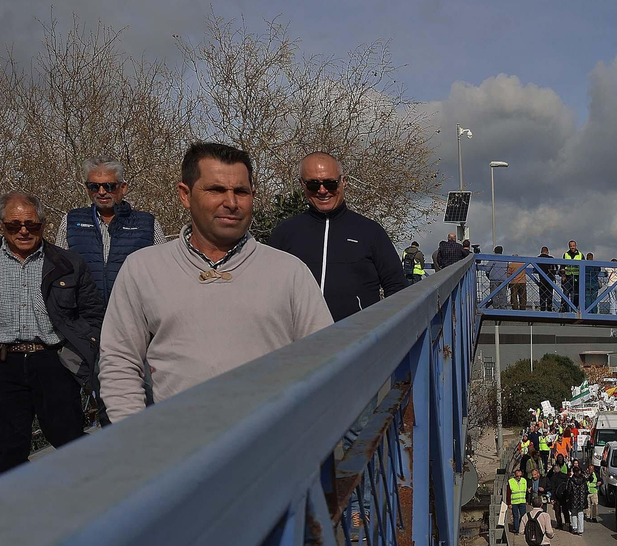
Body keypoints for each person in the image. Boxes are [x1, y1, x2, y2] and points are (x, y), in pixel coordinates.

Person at [98, 142, 333, 420]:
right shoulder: (143, 269)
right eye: (216, 190)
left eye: (241, 192)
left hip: (273, 448)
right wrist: (136, 437)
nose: (231, 203)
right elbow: (119, 362)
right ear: (185, 194)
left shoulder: (290, 272)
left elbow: (324, 360)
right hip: (177, 450)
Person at [0, 191, 104, 472]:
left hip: (53, 361)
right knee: (9, 452)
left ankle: (83, 504)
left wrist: (81, 352)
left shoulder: (69, 263)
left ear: (43, 224)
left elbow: (93, 313)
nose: (23, 231)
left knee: (70, 441)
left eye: (31, 224)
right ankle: (21, 513)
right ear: (1, 225)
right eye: (14, 225)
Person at [267, 153, 407, 322]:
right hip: (299, 343)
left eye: (330, 183)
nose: (322, 190)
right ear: (302, 185)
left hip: (358, 340)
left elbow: (396, 287)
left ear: (343, 182)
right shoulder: (285, 232)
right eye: (313, 184)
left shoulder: (370, 231)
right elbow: (267, 291)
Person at [55, 157, 164, 304]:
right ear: (87, 188)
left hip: (133, 314)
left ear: (123, 187)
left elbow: (163, 270)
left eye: (109, 186)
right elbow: (58, 269)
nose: (101, 192)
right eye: (94, 186)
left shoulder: (147, 224)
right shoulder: (71, 221)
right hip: (84, 316)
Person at [568, 461, 590, 534]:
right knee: (580, 514)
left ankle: (574, 527)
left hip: (573, 499)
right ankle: (580, 530)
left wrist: (568, 498)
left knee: (574, 513)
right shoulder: (583, 480)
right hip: (581, 500)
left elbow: (569, 490)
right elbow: (586, 489)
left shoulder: (571, 480)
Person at [507, 465, 530, 532]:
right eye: (517, 476)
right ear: (515, 475)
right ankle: (516, 529)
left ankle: (522, 528)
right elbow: (508, 493)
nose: (519, 477)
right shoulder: (511, 481)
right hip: (514, 502)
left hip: (522, 501)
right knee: (515, 516)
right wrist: (509, 503)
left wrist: (527, 500)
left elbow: (526, 491)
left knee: (523, 516)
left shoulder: (524, 481)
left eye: (520, 476)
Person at [561, 240, 581, 307]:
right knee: (565, 294)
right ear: (569, 247)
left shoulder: (580, 255)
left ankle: (574, 309)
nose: (572, 247)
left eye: (573, 246)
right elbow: (562, 266)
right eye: (571, 246)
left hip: (577, 277)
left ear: (575, 246)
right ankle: (565, 309)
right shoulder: (566, 254)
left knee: (576, 295)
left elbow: (583, 266)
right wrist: (563, 275)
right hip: (568, 277)